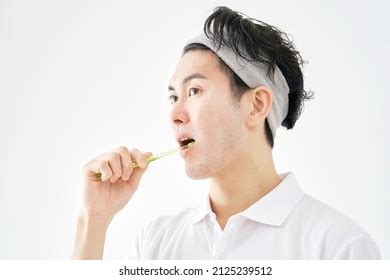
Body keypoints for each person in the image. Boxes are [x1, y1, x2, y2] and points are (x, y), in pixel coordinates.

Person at [72, 6, 380, 260]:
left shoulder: (339, 248)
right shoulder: (157, 243)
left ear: (256, 105)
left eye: (194, 90)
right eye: (173, 96)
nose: (175, 114)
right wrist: (94, 219)